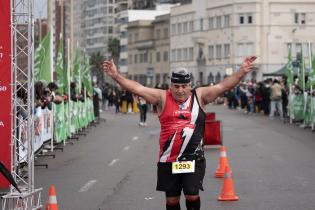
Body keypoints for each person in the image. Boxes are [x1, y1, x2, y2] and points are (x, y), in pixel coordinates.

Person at [102, 56, 256, 210]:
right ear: (170, 86)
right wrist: (116, 75)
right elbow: (137, 88)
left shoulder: (200, 96)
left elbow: (223, 86)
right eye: (176, 86)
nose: (180, 90)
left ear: (190, 85)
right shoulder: (162, 97)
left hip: (194, 159)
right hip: (168, 160)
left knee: (192, 194)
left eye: (184, 86)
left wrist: (241, 72)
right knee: (172, 201)